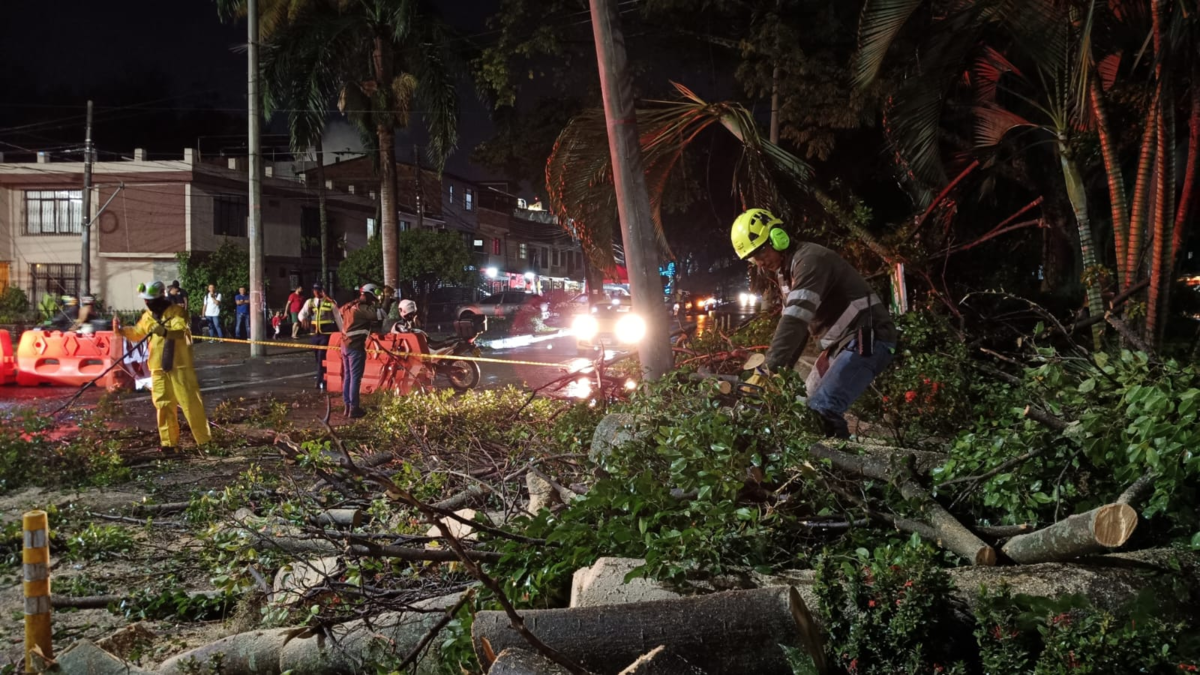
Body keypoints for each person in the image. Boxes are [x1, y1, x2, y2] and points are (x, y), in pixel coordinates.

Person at [731, 208, 897, 439]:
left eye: (760, 252)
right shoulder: (786, 273)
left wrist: (770, 366)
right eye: (752, 258)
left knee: (822, 410)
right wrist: (779, 372)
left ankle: (839, 469)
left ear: (778, 237)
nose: (759, 262)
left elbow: (795, 320)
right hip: (839, 346)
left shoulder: (810, 261)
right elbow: (797, 329)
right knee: (802, 406)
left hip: (868, 339)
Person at [118, 280, 211, 451]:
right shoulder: (147, 316)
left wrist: (165, 332)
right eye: (146, 300)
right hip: (158, 366)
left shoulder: (177, 312)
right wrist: (122, 331)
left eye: (151, 300)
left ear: (161, 297)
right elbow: (138, 333)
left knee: (190, 403)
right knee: (163, 404)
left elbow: (180, 330)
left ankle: (204, 442)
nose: (148, 303)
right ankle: (169, 443)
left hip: (179, 366)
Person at [338, 284, 385, 418]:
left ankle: (347, 407)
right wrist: (387, 298)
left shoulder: (349, 306)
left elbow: (340, 311)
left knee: (347, 377)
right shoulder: (362, 309)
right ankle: (354, 409)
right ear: (370, 294)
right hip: (355, 347)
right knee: (355, 379)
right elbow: (381, 315)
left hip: (344, 346)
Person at [298, 282, 342, 391]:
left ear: (323, 291)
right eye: (314, 290)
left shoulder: (330, 303)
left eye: (318, 290)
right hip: (314, 335)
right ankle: (322, 376)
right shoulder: (310, 302)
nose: (316, 292)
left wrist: (343, 332)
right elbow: (301, 314)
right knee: (317, 358)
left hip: (326, 335)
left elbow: (338, 318)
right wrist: (303, 319)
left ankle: (320, 381)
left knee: (322, 356)